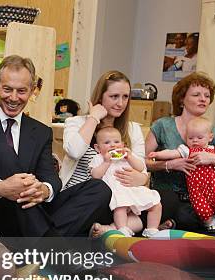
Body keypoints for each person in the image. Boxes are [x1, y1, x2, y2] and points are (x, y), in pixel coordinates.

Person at [0, 55, 111, 237]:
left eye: (21, 91)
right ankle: (49, 246)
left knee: (100, 190)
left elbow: (50, 176)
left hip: (29, 212)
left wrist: (43, 190)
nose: (13, 97)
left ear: (32, 90)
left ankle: (43, 246)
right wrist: (1, 187)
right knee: (19, 184)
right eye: (7, 89)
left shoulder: (41, 131)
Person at [59, 70, 155, 236]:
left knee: (161, 200)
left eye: (125, 97)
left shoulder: (133, 129)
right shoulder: (75, 122)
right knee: (101, 189)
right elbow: (74, 151)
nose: (120, 103)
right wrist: (94, 118)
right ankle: (118, 228)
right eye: (114, 96)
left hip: (120, 200)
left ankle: (108, 229)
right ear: (100, 97)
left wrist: (143, 178)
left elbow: (142, 170)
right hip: (84, 199)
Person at [145, 72, 215, 232]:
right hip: (172, 195)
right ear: (182, 99)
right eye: (196, 94)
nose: (203, 99)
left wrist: (214, 159)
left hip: (210, 195)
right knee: (184, 215)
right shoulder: (162, 126)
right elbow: (143, 163)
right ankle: (195, 221)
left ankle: (192, 222)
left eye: (207, 95)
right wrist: (169, 164)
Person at [148, 117, 215, 236]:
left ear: (210, 137)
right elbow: (172, 153)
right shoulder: (186, 150)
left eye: (199, 138)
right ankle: (210, 222)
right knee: (200, 206)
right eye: (190, 138)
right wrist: (158, 154)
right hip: (196, 189)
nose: (195, 141)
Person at [90, 127, 162, 237]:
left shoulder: (126, 156)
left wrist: (130, 157)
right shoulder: (99, 158)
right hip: (116, 192)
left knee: (156, 203)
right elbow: (95, 175)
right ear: (97, 148)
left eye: (116, 142)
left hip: (132, 189)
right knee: (121, 207)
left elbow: (140, 167)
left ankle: (152, 230)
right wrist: (106, 162)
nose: (113, 145)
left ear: (123, 145)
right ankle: (122, 229)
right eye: (107, 142)